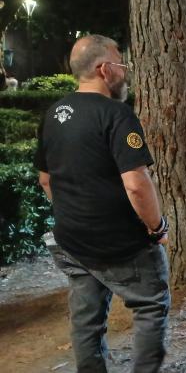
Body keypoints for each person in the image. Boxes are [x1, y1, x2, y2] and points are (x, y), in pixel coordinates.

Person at [35, 35, 170, 373]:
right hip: (120, 244)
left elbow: (46, 180)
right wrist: (157, 228)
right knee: (151, 305)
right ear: (105, 69)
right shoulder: (117, 115)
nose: (125, 72)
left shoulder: (53, 113)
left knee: (86, 319)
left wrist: (74, 214)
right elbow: (137, 185)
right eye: (121, 64)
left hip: (72, 241)